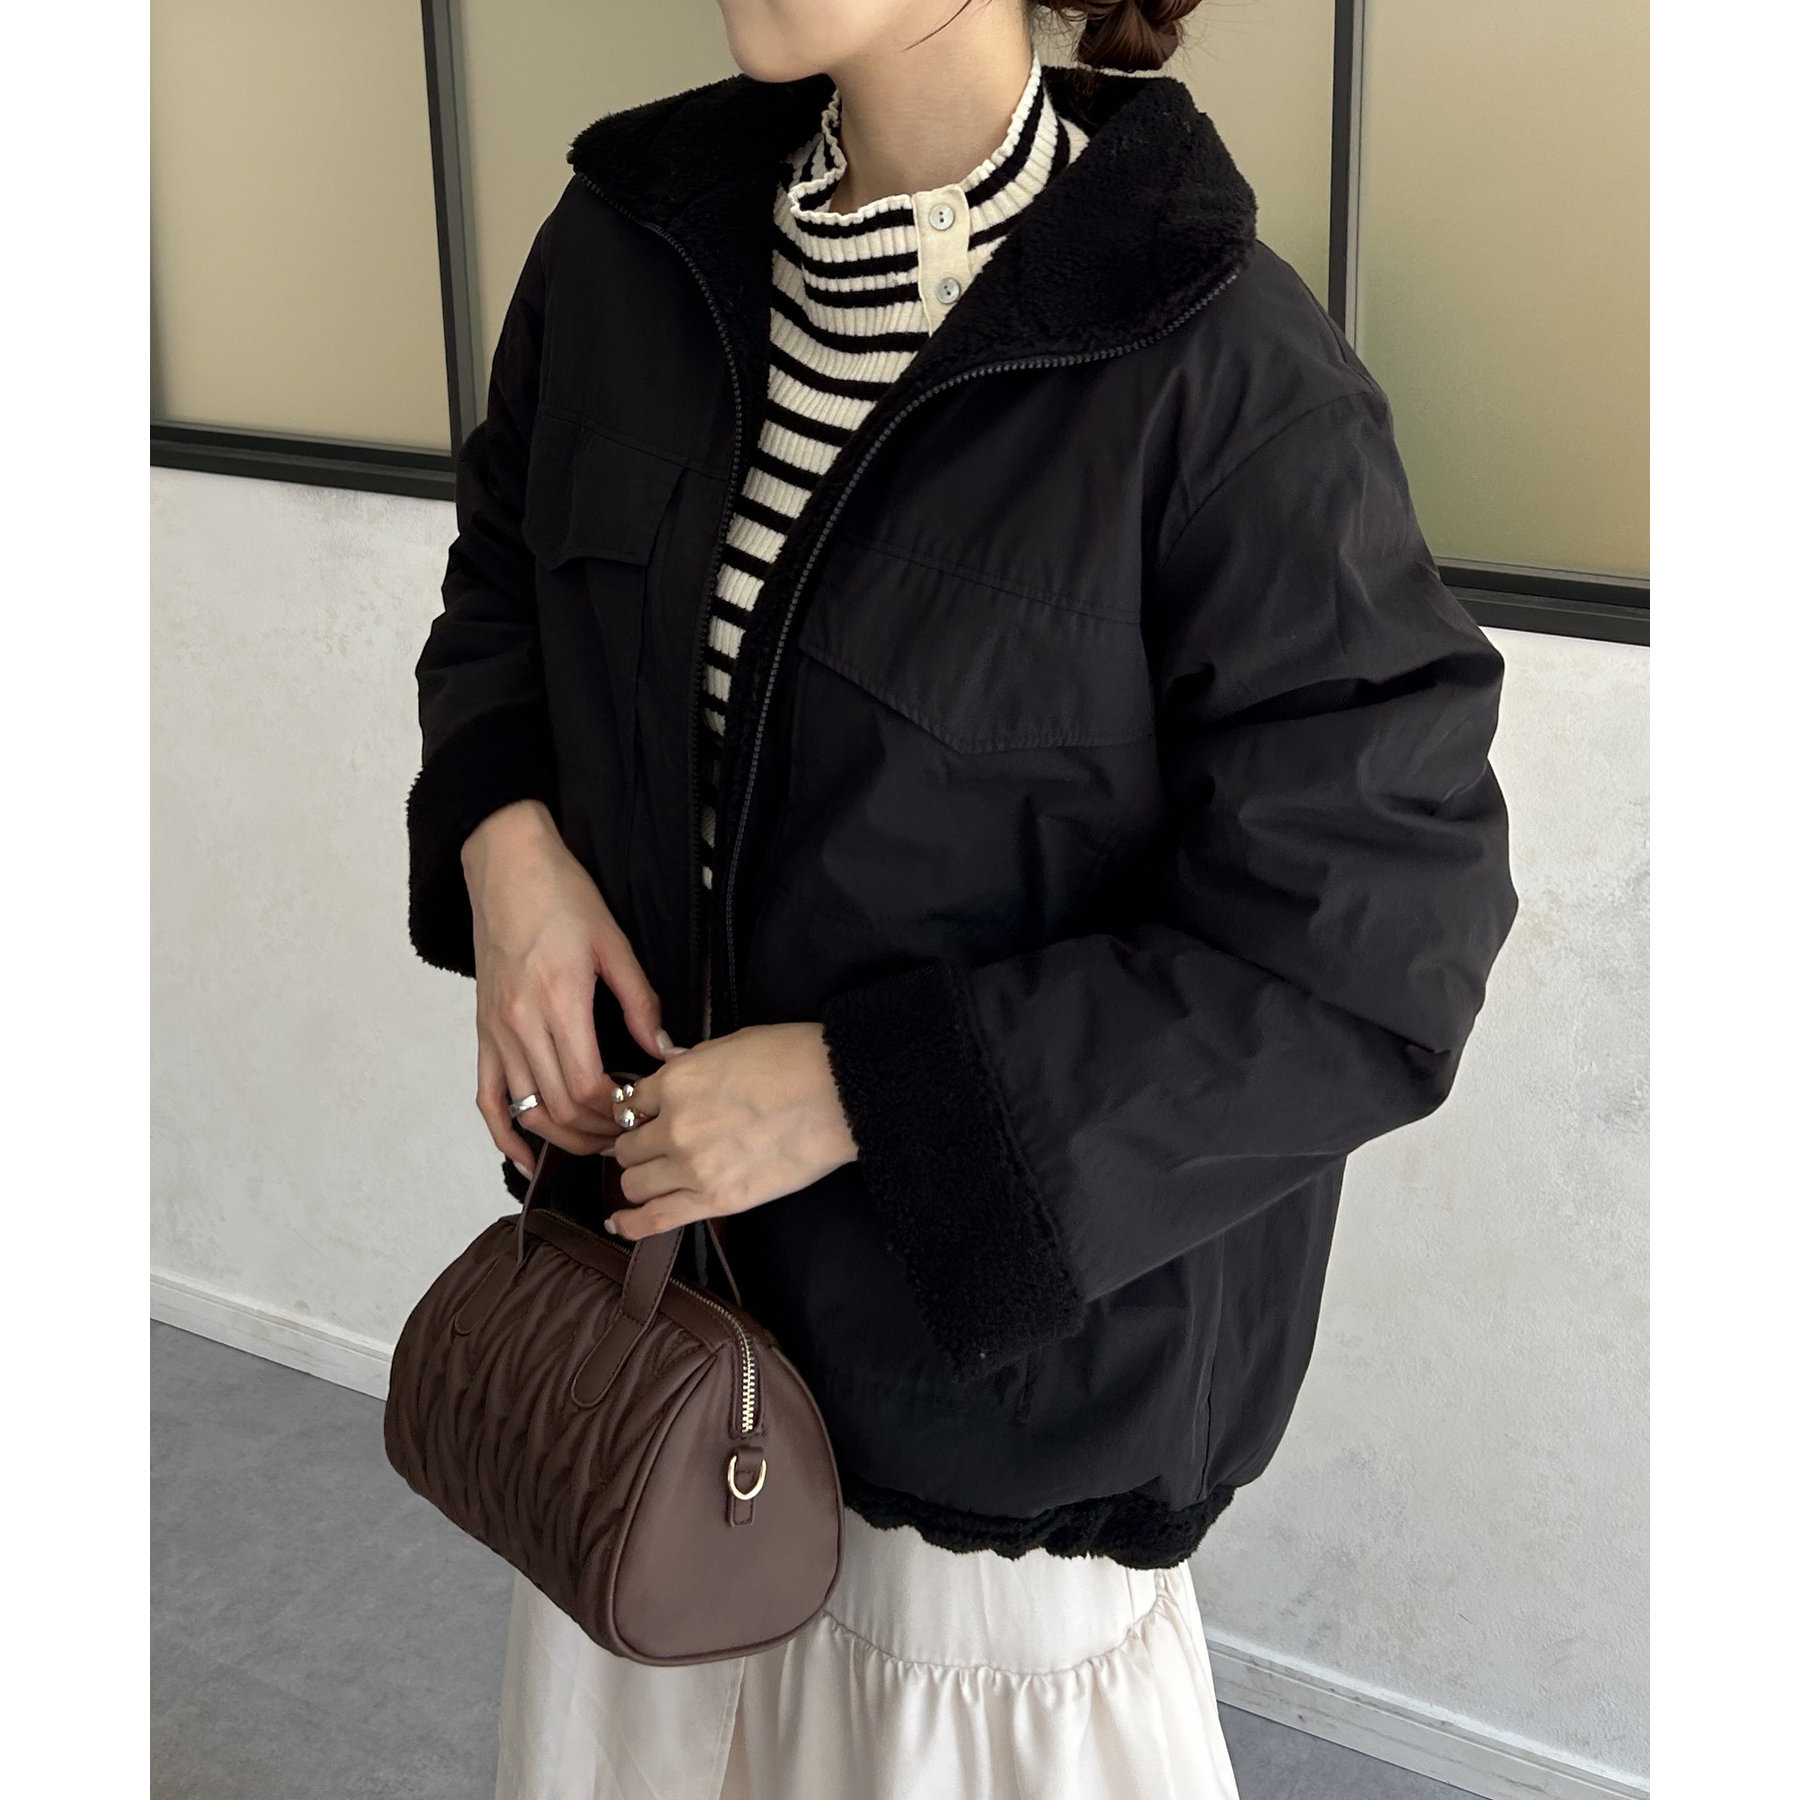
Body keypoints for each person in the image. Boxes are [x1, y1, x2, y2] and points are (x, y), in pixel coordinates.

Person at [405, 0, 1518, 1794]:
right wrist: (505, 848)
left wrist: (868, 1089)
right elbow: (505, 583)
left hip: (980, 1482)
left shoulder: (1218, 368)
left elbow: (1372, 945)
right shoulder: (628, 246)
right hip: (647, 1377)